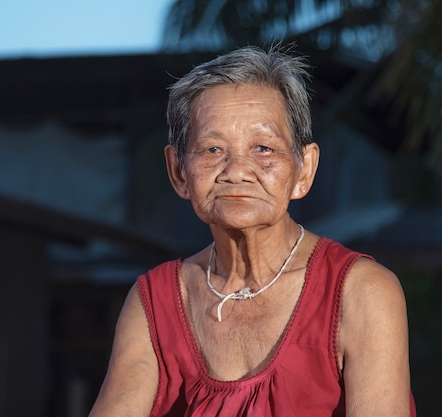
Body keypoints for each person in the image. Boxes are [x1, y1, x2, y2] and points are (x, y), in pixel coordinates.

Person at [89, 45, 416, 417]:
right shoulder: (154, 303)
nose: (237, 171)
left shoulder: (362, 293)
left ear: (303, 170)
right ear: (179, 172)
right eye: (212, 149)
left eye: (263, 148)